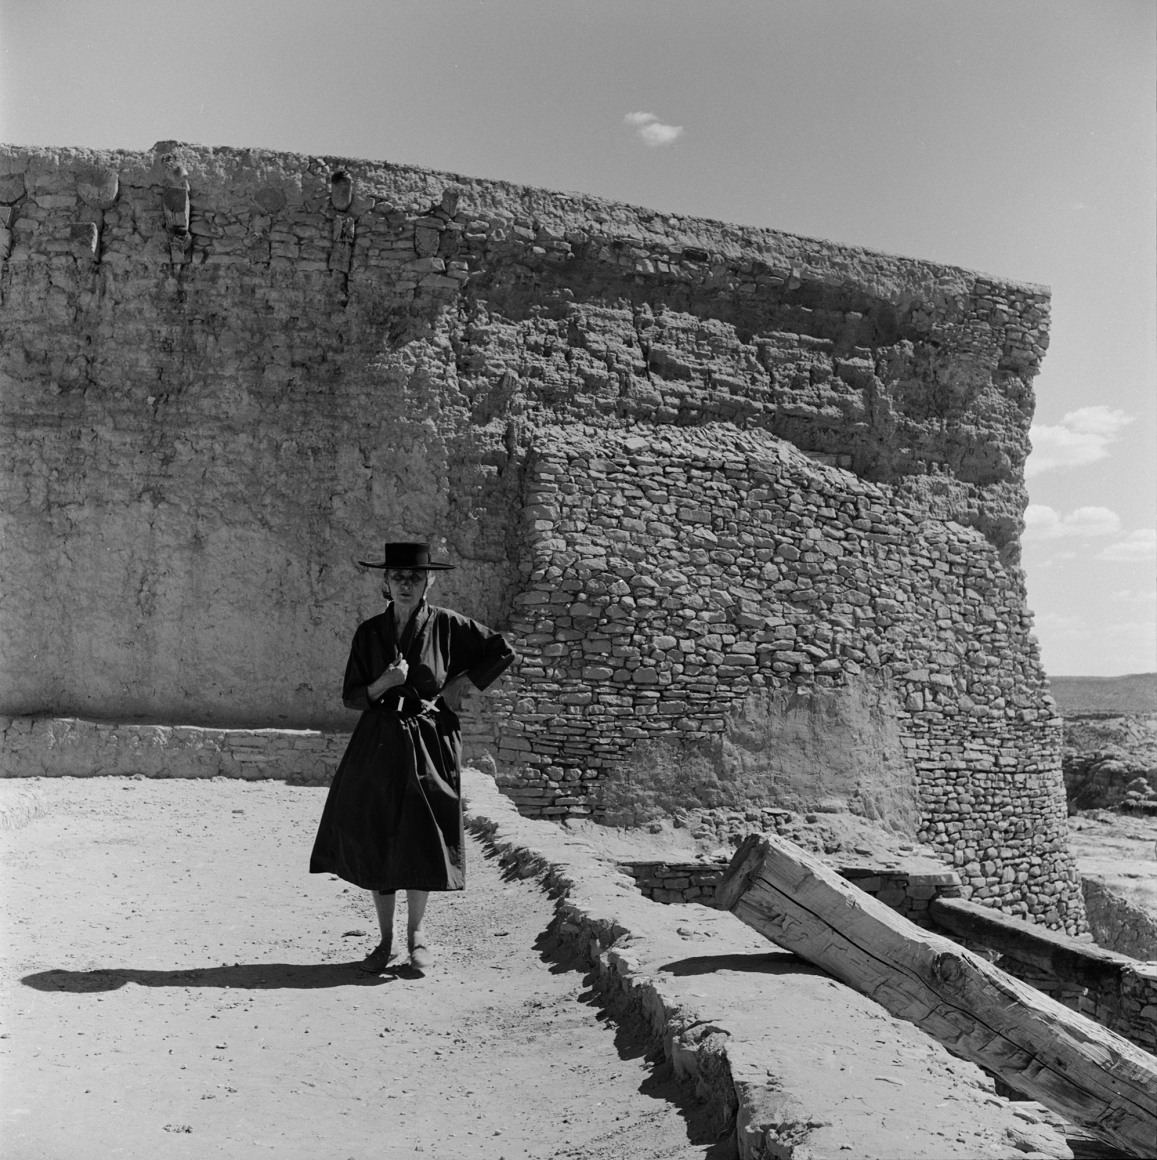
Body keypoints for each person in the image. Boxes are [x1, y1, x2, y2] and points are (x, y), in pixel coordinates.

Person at [309, 542, 516, 972]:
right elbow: (352, 696)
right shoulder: (368, 632)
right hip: (378, 740)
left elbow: (501, 650)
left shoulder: (447, 625)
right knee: (378, 833)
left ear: (429, 581)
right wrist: (385, 682)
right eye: (398, 577)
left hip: (429, 737)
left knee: (422, 833)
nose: (406, 584)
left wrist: (461, 685)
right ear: (385, 582)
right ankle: (384, 942)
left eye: (415, 577)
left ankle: (416, 936)